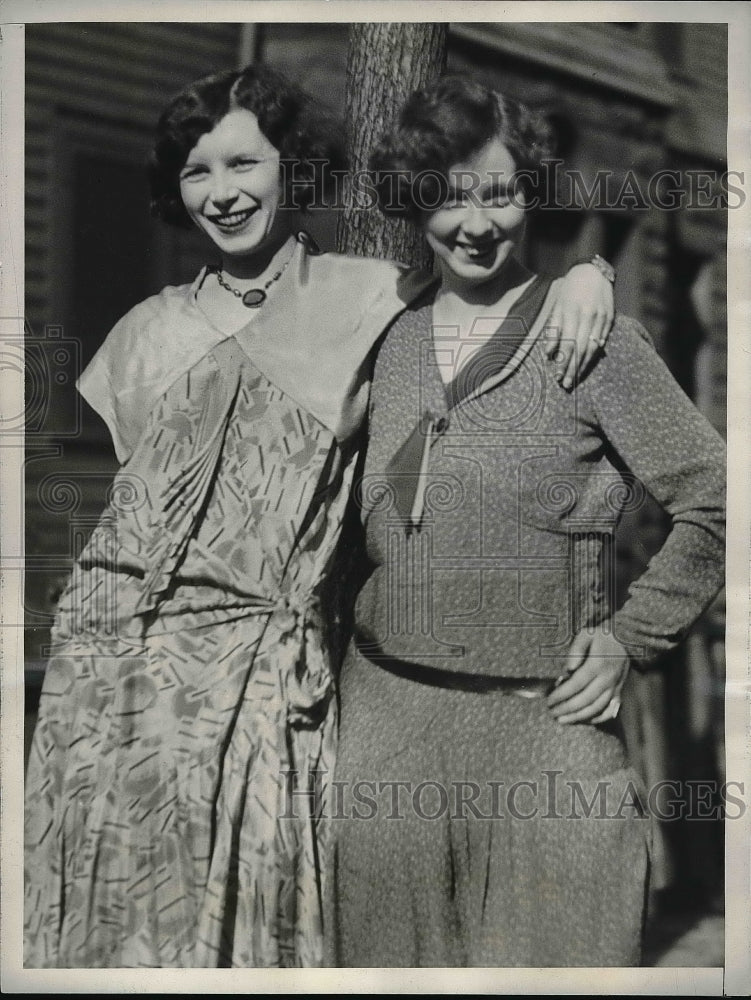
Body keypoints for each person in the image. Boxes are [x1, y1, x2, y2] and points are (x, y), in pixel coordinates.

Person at [23, 64, 616, 968]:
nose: (220, 194)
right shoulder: (141, 333)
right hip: (107, 675)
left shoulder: (369, 294)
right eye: (195, 172)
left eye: (242, 165)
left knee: (242, 933)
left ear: (292, 169)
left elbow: (487, 262)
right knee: (109, 928)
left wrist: (588, 271)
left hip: (258, 679)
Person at [329, 75, 726, 968]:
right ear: (412, 205)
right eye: (445, 197)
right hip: (384, 737)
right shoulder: (382, 336)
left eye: (499, 194)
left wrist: (634, 637)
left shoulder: (592, 340)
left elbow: (717, 499)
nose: (475, 224)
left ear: (532, 194)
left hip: (546, 741)